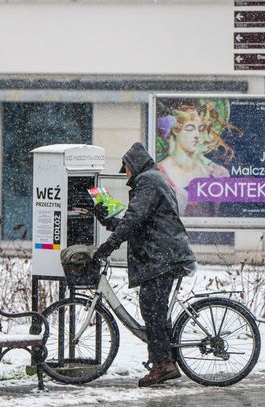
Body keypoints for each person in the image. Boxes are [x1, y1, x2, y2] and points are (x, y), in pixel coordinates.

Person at [93, 142, 196, 387]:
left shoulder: (148, 180)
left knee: (152, 309)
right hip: (163, 255)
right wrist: (107, 220)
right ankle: (165, 360)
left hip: (162, 257)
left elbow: (134, 219)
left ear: (133, 164)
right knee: (155, 309)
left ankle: (163, 365)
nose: (126, 175)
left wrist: (110, 245)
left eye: (126, 169)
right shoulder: (152, 178)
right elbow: (138, 222)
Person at [157, 103, 234, 217]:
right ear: (176, 130)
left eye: (200, 129)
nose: (197, 135)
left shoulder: (213, 172)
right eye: (190, 129)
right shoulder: (159, 172)